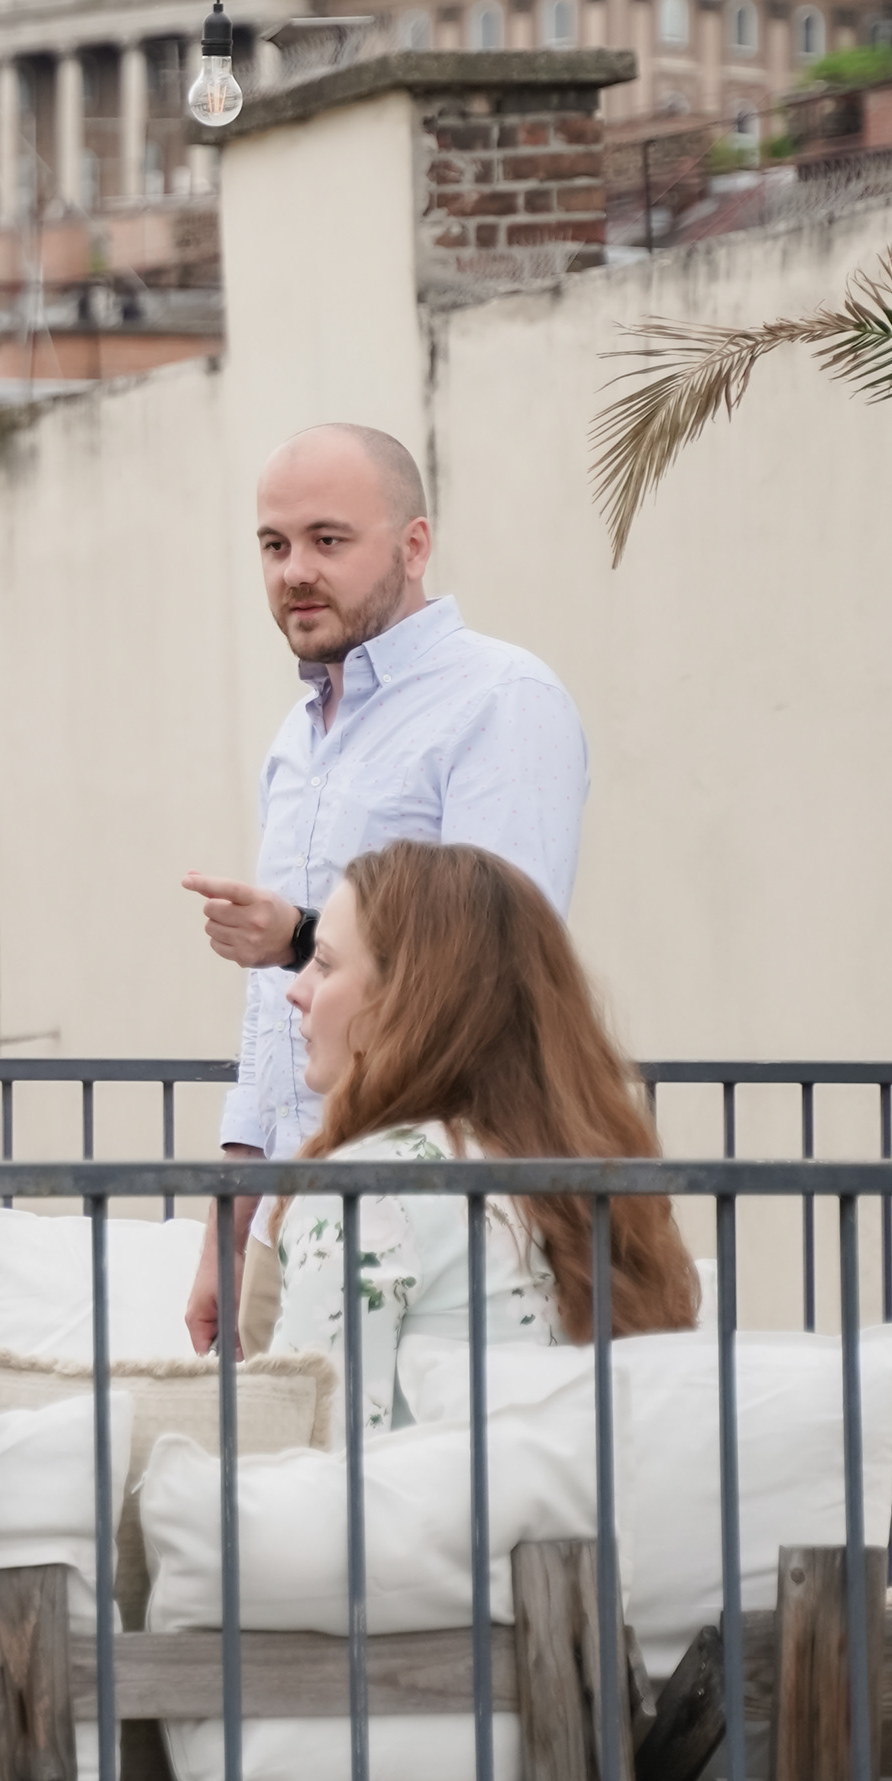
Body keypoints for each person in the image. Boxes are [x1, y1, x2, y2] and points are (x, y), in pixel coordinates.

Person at [176, 424, 588, 1354]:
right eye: (274, 545)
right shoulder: (298, 737)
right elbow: (270, 1017)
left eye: (328, 540)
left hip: (440, 1208)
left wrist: (298, 937)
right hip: (298, 1208)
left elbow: (498, 963)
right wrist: (230, 1224)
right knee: (282, 1442)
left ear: (414, 545)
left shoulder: (502, 699)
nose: (295, 572)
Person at [265, 840, 697, 1427]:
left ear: (408, 1000)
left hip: (426, 1490)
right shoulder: (588, 1177)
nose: (296, 989)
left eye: (325, 963)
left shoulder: (359, 1196)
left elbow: (310, 1450)